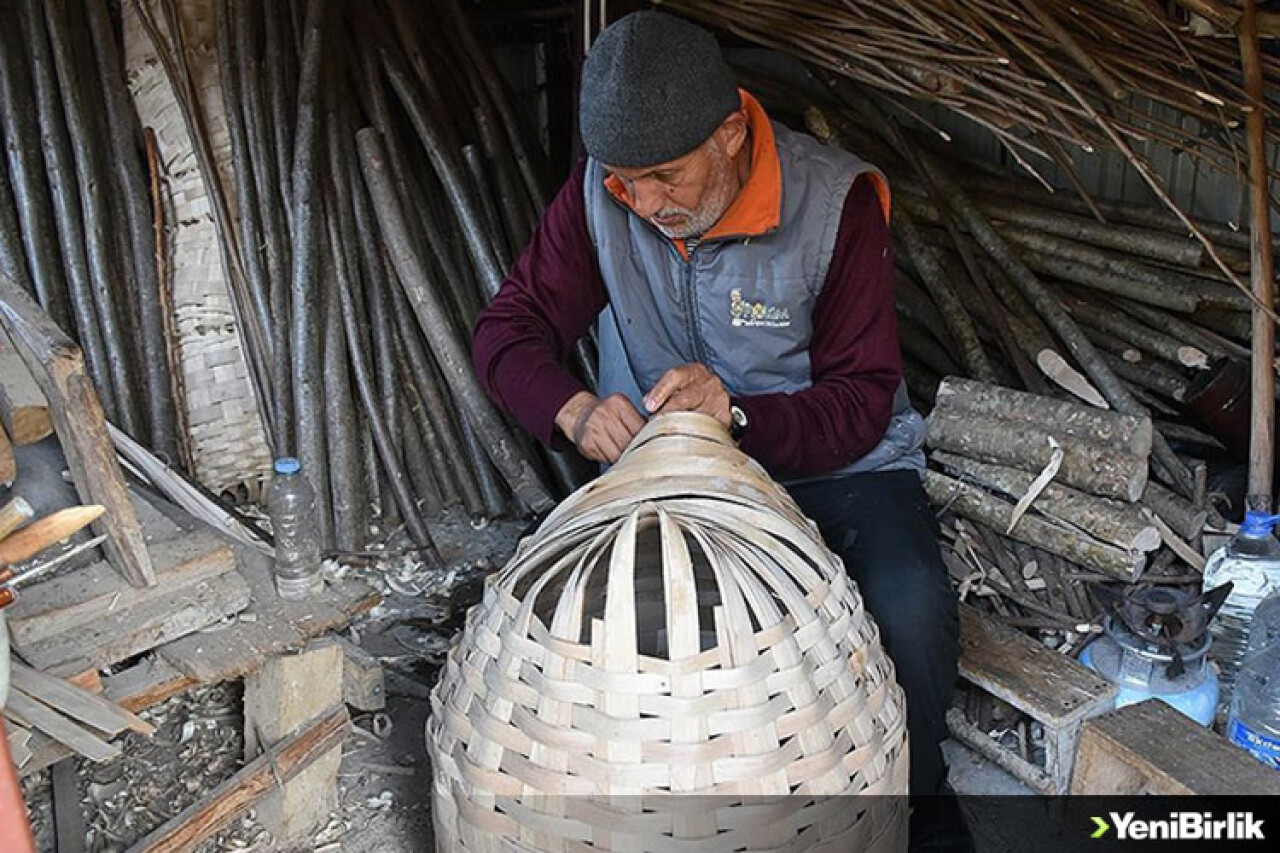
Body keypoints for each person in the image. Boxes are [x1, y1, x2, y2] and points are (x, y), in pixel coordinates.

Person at [471, 7, 963, 831]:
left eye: (666, 175)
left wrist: (734, 414)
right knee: (615, 646)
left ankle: (919, 803)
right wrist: (577, 408)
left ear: (731, 133)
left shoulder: (835, 206)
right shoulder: (606, 195)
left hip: (833, 468)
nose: (646, 201)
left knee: (908, 609)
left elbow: (860, 399)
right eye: (626, 179)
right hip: (673, 474)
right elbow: (507, 331)